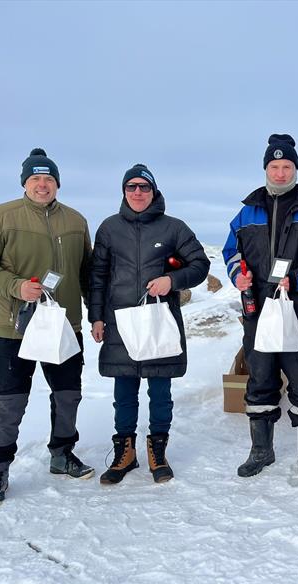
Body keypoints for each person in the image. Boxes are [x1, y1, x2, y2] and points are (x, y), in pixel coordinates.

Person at [0, 148, 93, 507]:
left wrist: (97, 314)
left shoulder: (76, 220)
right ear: (25, 183)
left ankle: (62, 453)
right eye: (36, 179)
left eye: (49, 179)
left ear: (57, 184)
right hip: (15, 327)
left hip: (64, 325)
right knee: (9, 400)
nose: (42, 185)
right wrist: (15, 285)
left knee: (68, 393)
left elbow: (87, 273)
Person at [222, 134, 298, 485]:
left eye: (287, 167)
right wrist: (238, 277)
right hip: (258, 308)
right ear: (266, 168)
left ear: (295, 169)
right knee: (261, 375)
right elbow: (231, 253)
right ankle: (261, 450)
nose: (281, 172)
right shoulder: (247, 212)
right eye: (275, 166)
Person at [89, 164, 209, 484]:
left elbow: (200, 265)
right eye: (132, 187)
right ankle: (124, 454)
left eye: (144, 187)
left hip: (159, 320)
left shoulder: (174, 228)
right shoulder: (109, 229)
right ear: (124, 192)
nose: (138, 192)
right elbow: (97, 277)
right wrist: (96, 316)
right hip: (120, 323)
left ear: (154, 191)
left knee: (160, 391)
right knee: (124, 391)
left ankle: (158, 452)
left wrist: (172, 280)